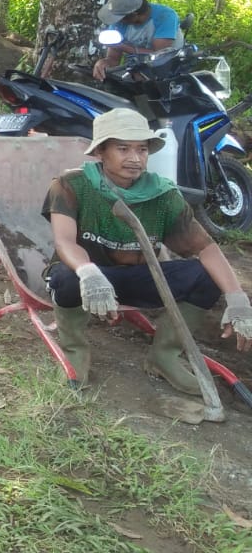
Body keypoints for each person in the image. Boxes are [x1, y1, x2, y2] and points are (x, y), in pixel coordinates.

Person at [42, 107, 252, 393]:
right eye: (123, 148)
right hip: (86, 278)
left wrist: (237, 298)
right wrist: (88, 272)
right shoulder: (71, 185)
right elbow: (64, 241)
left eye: (142, 149)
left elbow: (206, 249)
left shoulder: (162, 195)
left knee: (205, 276)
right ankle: (74, 353)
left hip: (136, 276)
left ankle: (163, 356)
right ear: (101, 151)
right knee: (66, 278)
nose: (134, 158)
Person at [92, 0, 184, 81]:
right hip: (136, 70)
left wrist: (123, 47)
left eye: (121, 18)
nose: (118, 22)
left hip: (169, 68)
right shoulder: (118, 24)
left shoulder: (165, 16)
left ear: (134, 14)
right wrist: (104, 63)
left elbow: (159, 56)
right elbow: (113, 59)